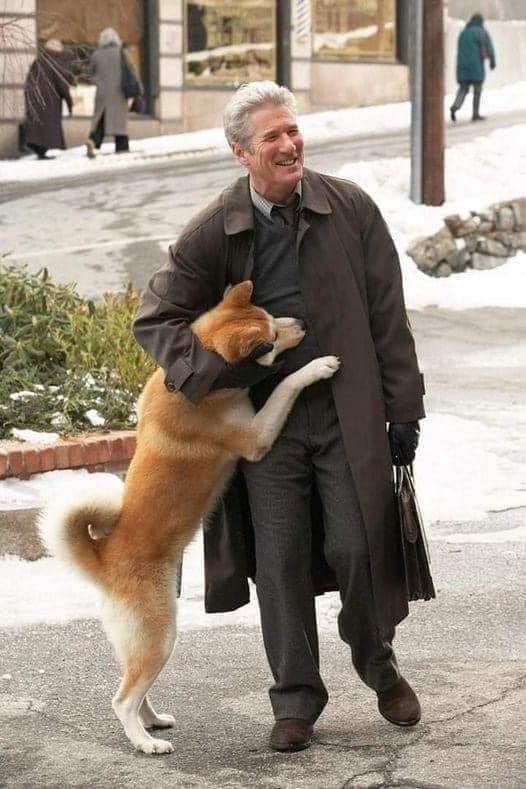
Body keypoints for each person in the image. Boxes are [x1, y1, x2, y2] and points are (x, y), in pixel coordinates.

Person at [133, 81, 425, 753]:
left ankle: (378, 665)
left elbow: (389, 316)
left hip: (347, 413)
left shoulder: (350, 208)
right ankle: (296, 698)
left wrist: (404, 408)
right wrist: (217, 374)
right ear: (242, 153)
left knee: (359, 547)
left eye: (293, 130)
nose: (291, 144)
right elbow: (157, 317)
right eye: (273, 137)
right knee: (281, 560)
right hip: (265, 428)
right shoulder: (218, 227)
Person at [86, 27, 139, 158]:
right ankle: (122, 147)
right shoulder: (122, 53)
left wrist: (98, 80)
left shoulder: (96, 55)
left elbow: (89, 75)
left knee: (101, 119)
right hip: (119, 93)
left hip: (102, 93)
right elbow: (131, 71)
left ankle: (92, 141)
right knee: (119, 124)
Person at [23, 38, 73, 160]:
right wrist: (69, 102)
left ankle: (39, 149)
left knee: (39, 126)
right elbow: (62, 85)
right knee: (47, 126)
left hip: (35, 98)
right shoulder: (55, 62)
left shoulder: (39, 60)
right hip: (49, 100)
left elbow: (28, 81)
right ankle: (41, 150)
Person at [450, 13, 496, 122]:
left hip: (462, 67)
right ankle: (475, 114)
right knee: (477, 91)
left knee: (463, 89)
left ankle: (455, 107)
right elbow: (489, 48)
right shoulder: (482, 32)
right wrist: (492, 61)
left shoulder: (463, 33)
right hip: (476, 67)